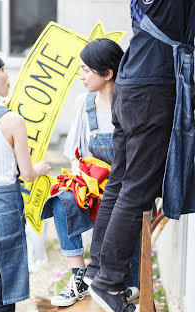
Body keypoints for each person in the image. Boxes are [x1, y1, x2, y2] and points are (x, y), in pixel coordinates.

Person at [84, 1, 194, 312]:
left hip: (131, 85)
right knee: (135, 191)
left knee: (120, 185)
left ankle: (97, 274)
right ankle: (108, 283)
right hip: (151, 90)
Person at [41, 38, 140, 308]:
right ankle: (79, 277)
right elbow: (75, 155)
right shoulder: (83, 103)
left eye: (87, 70)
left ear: (108, 73)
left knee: (123, 213)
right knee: (61, 200)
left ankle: (121, 284)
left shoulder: (131, 102)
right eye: (80, 69)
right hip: (92, 184)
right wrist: (81, 178)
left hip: (125, 189)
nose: (81, 76)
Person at [0, 51, 50, 312]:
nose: (8, 76)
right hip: (3, 207)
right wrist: (41, 168)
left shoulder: (8, 116)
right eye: (2, 70)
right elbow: (27, 174)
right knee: (5, 282)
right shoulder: (12, 120)